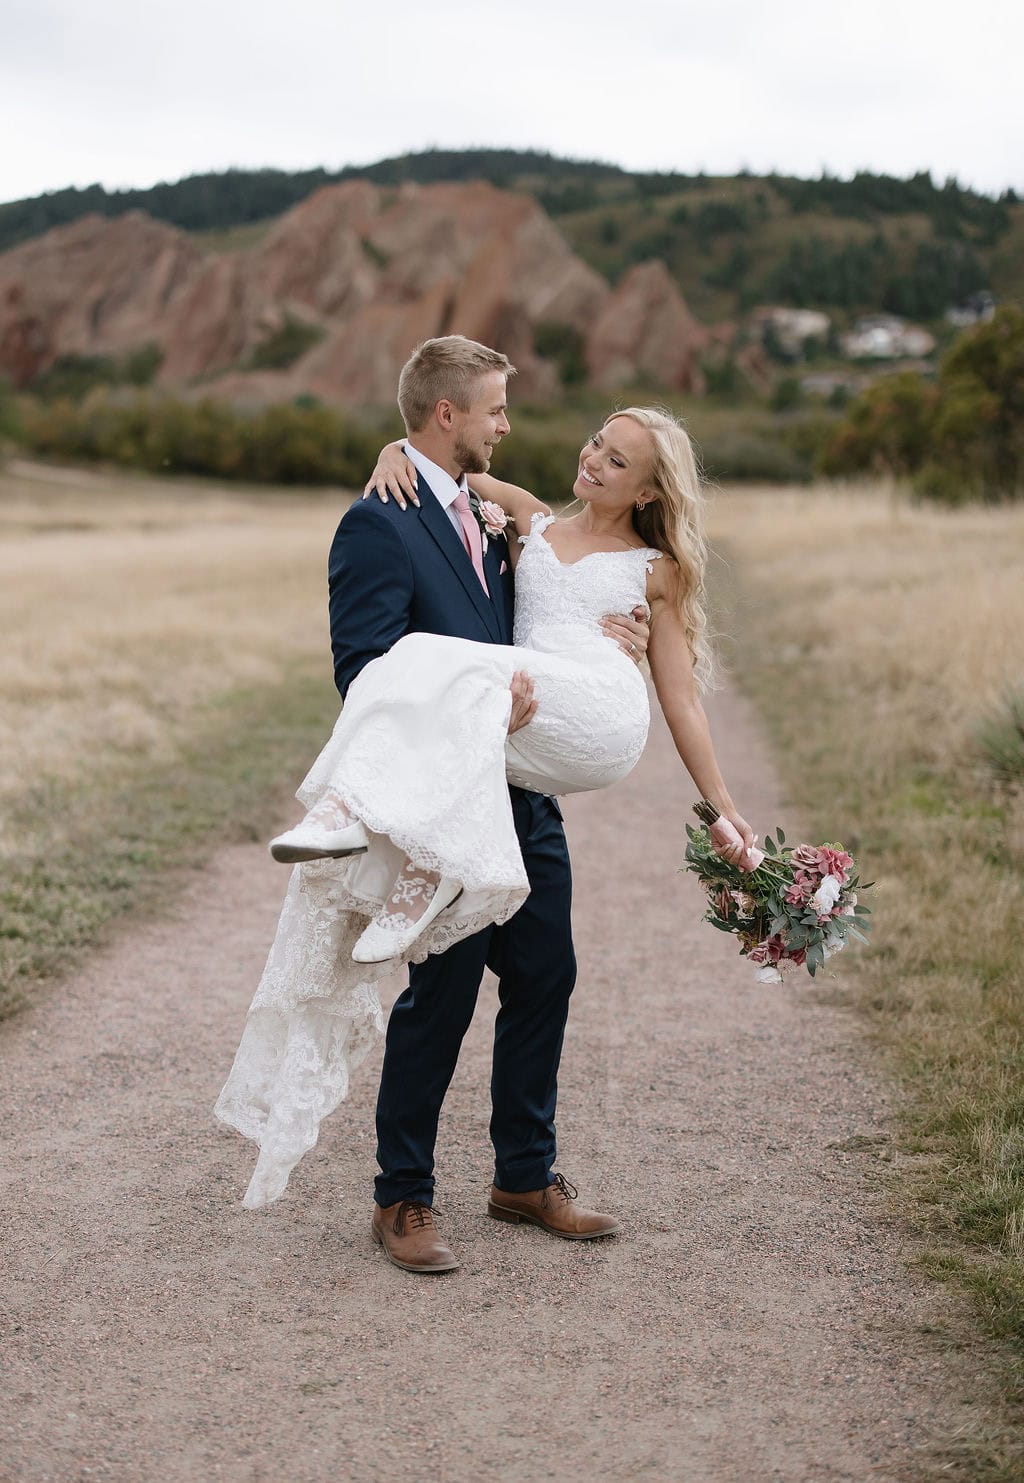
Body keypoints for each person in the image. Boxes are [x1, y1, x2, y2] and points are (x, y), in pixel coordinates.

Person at [215, 335, 756, 1274]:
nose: (531, 432)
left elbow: (669, 691)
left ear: (646, 489)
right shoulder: (416, 520)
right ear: (449, 414)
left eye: (616, 456)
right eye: (497, 410)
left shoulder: (514, 523)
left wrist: (720, 804)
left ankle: (524, 1176)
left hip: (529, 796)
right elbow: (368, 667)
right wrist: (391, 450)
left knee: (547, 976)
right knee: (444, 995)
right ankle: (402, 1195)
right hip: (453, 799)